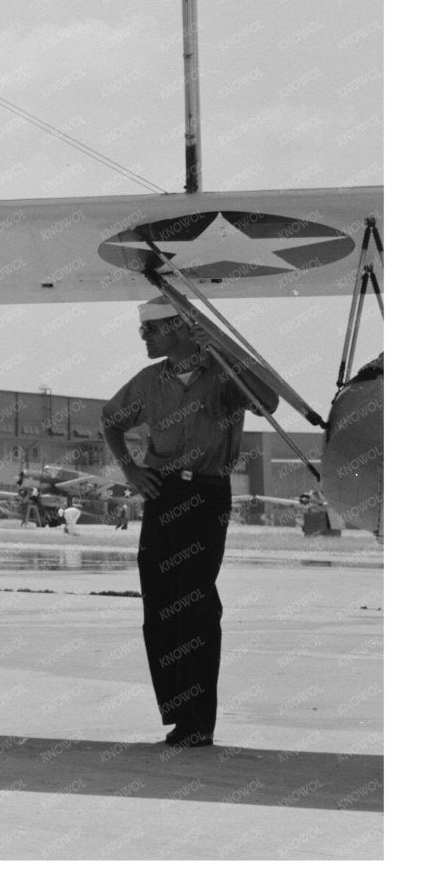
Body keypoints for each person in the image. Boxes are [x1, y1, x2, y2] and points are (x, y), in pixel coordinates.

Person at [99, 294, 279, 748]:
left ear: (177, 328)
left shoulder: (223, 374)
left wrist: (226, 349)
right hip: (162, 493)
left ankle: (200, 721)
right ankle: (179, 715)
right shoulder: (146, 382)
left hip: (206, 494)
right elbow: (110, 421)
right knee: (160, 604)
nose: (143, 337)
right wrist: (130, 469)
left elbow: (270, 402)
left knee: (196, 603)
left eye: (150, 330)